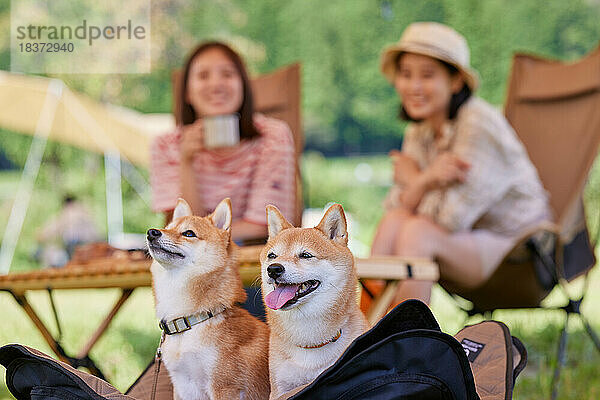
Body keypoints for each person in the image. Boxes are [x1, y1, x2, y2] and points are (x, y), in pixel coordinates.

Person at [369, 22, 551, 305]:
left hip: (520, 255)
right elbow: (397, 206)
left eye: (427, 75)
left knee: (417, 232)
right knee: (395, 221)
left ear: (455, 82)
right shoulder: (419, 130)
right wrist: (426, 179)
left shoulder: (478, 124)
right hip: (466, 243)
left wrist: (418, 180)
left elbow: (448, 218)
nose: (413, 86)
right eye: (405, 74)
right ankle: (365, 330)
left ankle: (411, 342)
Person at [150, 41, 296, 243]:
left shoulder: (272, 136)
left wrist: (204, 237)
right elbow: (182, 227)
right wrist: (187, 161)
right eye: (203, 76)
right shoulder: (166, 145)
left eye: (227, 74)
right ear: (187, 93)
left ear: (243, 86)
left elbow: (265, 225)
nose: (216, 85)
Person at [35, 195, 101, 267]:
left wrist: (41, 235)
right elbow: (97, 235)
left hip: (75, 249)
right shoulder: (86, 213)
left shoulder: (67, 213)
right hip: (93, 250)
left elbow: (46, 232)